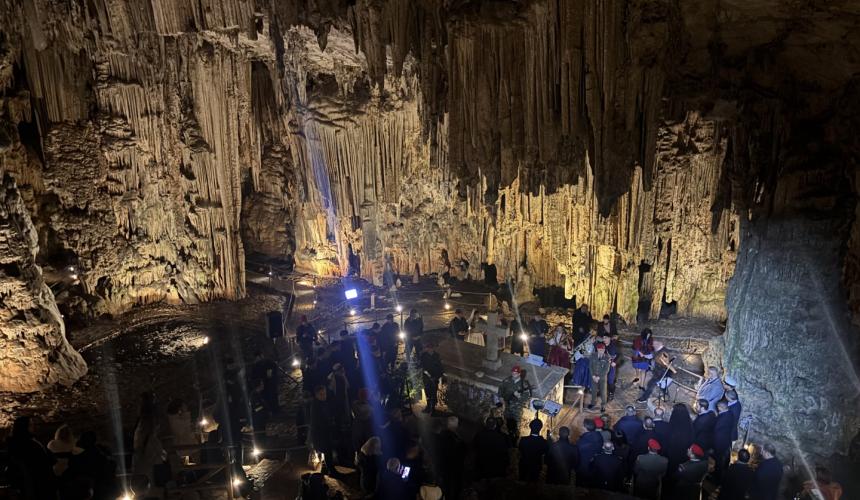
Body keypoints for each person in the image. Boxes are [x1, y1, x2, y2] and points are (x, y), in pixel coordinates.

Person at [7, 416, 57, 499]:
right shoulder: (24, 443)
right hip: (34, 480)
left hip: (38, 479)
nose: (33, 427)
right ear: (24, 427)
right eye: (30, 425)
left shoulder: (30, 441)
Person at [131, 392, 165, 492]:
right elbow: (158, 453)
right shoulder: (149, 425)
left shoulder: (141, 424)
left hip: (141, 461)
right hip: (147, 464)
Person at [498, 366, 533, 443]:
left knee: (516, 426)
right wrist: (501, 398)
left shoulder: (524, 384)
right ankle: (508, 439)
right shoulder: (507, 380)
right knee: (507, 423)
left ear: (519, 374)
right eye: (513, 372)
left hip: (516, 409)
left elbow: (527, 397)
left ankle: (515, 441)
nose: (513, 374)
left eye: (515, 373)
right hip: (507, 407)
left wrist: (519, 396)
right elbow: (500, 389)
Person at [309, 385, 337, 476]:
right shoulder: (316, 406)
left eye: (324, 394)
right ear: (316, 395)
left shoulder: (323, 403)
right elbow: (316, 422)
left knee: (327, 452)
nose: (324, 396)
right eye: (321, 394)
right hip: (321, 434)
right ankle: (331, 471)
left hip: (325, 432)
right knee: (327, 452)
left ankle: (326, 469)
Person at [436, 417, 465, 499]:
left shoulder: (440, 436)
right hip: (454, 467)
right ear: (455, 426)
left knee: (445, 486)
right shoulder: (456, 439)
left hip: (443, 466)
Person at [665, 403, 694, 484]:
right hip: (684, 455)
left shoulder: (672, 426)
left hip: (673, 455)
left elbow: (668, 440)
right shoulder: (689, 425)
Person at [575, 418, 603, 487]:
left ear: (585, 428)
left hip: (584, 468)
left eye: (582, 425)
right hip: (594, 467)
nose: (581, 427)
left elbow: (577, 453)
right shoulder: (599, 435)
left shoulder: (582, 442)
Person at [712, 400, 734, 479]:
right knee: (721, 459)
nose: (717, 408)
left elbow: (716, 428)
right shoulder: (730, 413)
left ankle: (716, 477)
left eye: (718, 407)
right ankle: (718, 473)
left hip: (720, 442)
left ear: (720, 407)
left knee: (719, 460)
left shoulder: (722, 418)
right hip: (726, 440)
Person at [420, 342, 444, 414]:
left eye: (431, 347)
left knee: (433, 393)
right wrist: (429, 376)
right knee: (427, 393)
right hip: (426, 378)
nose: (430, 349)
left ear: (433, 348)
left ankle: (432, 409)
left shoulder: (436, 356)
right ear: (427, 348)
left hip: (435, 378)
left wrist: (437, 376)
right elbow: (422, 367)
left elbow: (440, 367)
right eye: (428, 347)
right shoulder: (423, 356)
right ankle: (428, 407)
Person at [587, 342, 611, 412]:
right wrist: (593, 376)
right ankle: (593, 403)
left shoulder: (607, 358)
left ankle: (603, 405)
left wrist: (599, 377)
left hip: (602, 378)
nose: (601, 351)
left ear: (604, 350)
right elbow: (590, 366)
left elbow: (606, 369)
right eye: (600, 350)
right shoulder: (593, 356)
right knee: (593, 391)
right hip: (594, 377)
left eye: (603, 350)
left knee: (603, 392)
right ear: (597, 349)